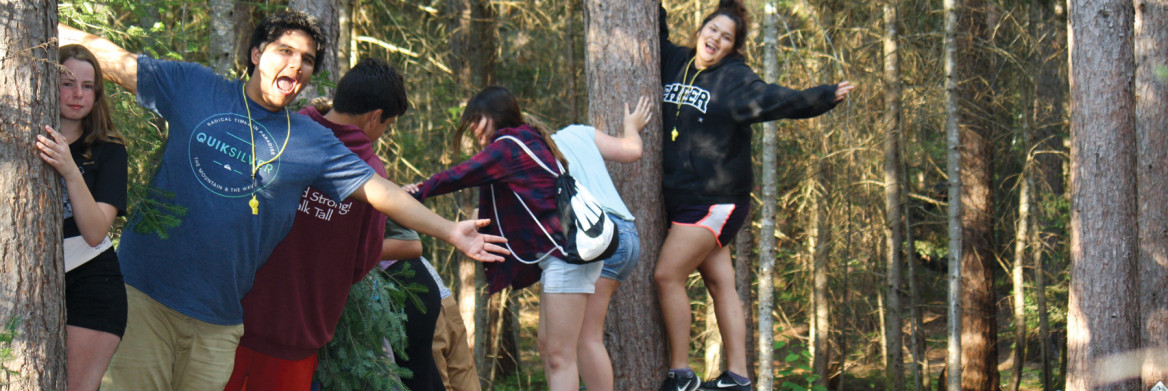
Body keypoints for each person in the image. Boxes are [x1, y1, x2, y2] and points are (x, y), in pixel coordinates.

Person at [58, 10, 507, 391]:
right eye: (285, 52)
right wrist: (38, 23)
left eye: (308, 59)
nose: (297, 65)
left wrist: (450, 230)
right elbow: (113, 60)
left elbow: (381, 192)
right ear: (257, 55)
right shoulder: (194, 88)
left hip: (219, 323)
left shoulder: (311, 142)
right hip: (144, 298)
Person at [654, 1, 854, 390]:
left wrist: (825, 95)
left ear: (733, 47)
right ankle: (739, 378)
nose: (715, 39)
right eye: (712, 30)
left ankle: (680, 373)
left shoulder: (734, 80)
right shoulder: (676, 61)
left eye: (726, 37)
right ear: (700, 30)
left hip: (714, 200)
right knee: (720, 284)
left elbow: (776, 100)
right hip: (685, 199)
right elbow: (655, 32)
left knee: (666, 275)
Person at [222, 57, 411, 391]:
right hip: (295, 333)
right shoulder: (369, 172)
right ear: (375, 118)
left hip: (229, 315)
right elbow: (363, 260)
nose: (383, 133)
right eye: (387, 125)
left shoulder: (282, 132)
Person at [404, 86, 601, 391]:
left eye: (476, 119)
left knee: (560, 357)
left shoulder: (508, 147)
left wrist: (419, 191)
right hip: (566, 256)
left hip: (568, 257)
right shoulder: (528, 140)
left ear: (494, 116)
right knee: (550, 350)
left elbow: (462, 174)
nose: (472, 127)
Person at [35, 44, 128, 391]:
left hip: (93, 287)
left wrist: (70, 170)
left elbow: (95, 231)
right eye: (68, 83)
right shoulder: (21, 138)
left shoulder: (110, 150)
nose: (77, 95)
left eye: (87, 86)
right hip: (32, 286)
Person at [549, 97, 652, 391]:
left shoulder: (531, 157)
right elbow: (633, 150)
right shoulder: (576, 132)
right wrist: (631, 127)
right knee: (583, 335)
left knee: (585, 337)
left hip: (597, 241)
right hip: (626, 235)